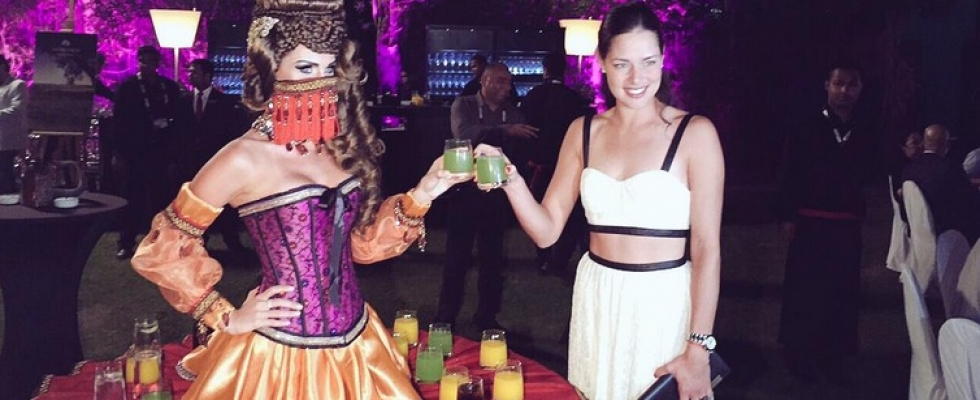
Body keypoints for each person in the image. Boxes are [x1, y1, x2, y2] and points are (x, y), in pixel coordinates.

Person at [130, 1, 467, 398]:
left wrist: (425, 192)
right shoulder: (242, 157)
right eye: (306, 68)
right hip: (279, 355)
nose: (321, 83)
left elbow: (359, 248)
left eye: (329, 68)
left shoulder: (334, 144)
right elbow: (163, 246)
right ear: (272, 70)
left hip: (358, 343)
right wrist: (226, 316)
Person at [478, 3, 723, 398]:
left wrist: (699, 346)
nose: (637, 78)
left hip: (662, 302)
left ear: (663, 59)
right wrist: (510, 178)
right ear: (603, 63)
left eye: (648, 62)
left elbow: (707, 247)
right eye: (622, 64)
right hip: (597, 296)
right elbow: (546, 231)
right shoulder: (583, 131)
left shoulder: (695, 134)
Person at [776, 61, 874, 384]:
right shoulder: (806, 124)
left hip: (846, 225)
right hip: (810, 222)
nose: (844, 91)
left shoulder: (866, 127)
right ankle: (797, 355)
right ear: (827, 86)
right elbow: (789, 170)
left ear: (860, 89)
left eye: (851, 85)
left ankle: (834, 356)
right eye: (838, 84)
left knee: (841, 293)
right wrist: (787, 215)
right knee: (805, 292)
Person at [435, 63, 538, 331]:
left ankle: (486, 316)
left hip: (496, 195)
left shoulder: (513, 112)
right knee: (456, 259)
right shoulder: (465, 105)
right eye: (500, 81)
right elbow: (464, 135)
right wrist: (505, 130)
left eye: (509, 82)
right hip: (464, 192)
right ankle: (445, 317)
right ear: (484, 80)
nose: (507, 87)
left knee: (492, 260)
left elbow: (517, 153)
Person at [519, 52, 591, 277]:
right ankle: (559, 259)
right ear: (565, 71)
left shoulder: (533, 95)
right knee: (570, 215)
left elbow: (525, 128)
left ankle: (543, 258)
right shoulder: (573, 98)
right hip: (568, 165)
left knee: (540, 210)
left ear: (545, 70)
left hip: (540, 164)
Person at [113, 45, 182, 259]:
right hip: (135, 152)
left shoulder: (168, 88)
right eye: (143, 61)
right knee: (132, 198)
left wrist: (174, 155)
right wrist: (118, 153)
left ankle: (161, 243)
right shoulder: (128, 88)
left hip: (161, 153)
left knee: (161, 200)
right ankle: (126, 242)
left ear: (157, 64)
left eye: (151, 62)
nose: (147, 66)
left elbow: (178, 122)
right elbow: (118, 122)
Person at [175, 58, 250, 252]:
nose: (191, 75)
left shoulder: (224, 102)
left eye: (195, 72)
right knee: (192, 205)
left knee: (222, 204)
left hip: (214, 161)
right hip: (190, 162)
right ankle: (195, 242)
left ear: (208, 76)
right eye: (190, 72)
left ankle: (232, 241)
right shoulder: (183, 102)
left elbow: (230, 133)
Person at [902, 124, 980, 243]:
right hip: (949, 231)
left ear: (924, 143)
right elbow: (969, 198)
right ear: (945, 144)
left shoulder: (909, 169)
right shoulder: (949, 168)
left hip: (918, 229)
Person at [0, 54, 27, 196]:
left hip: (9, 140)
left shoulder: (17, 85)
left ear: (3, 67)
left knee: (5, 174)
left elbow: (17, 110)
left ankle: (10, 200)